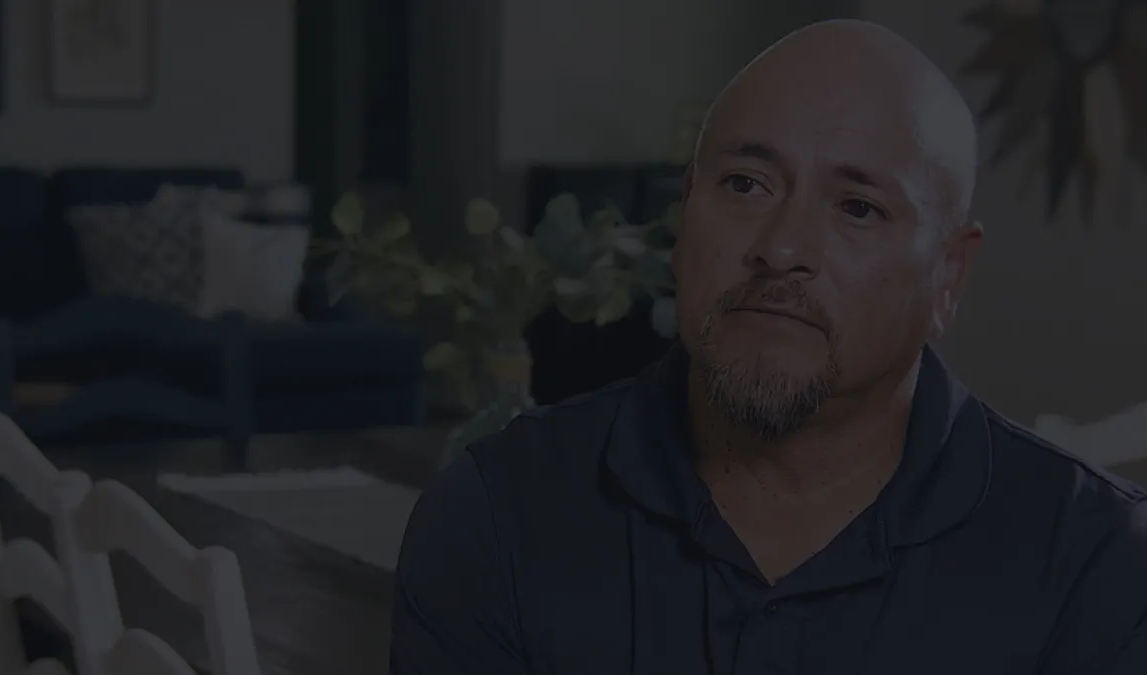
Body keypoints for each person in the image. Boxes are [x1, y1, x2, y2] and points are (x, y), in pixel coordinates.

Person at [390, 19, 1147, 675]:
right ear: (685, 212)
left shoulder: (1099, 563)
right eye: (747, 185)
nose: (782, 248)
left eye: (857, 207)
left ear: (949, 274)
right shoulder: (497, 516)